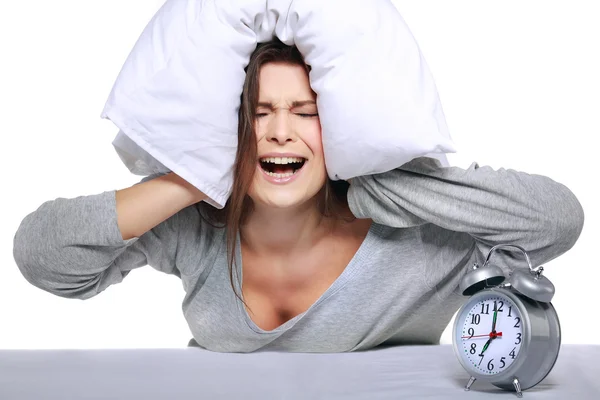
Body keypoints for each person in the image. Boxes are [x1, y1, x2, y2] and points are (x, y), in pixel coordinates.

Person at [13, 39, 584, 353]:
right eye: (258, 115)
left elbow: (557, 220)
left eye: (306, 114)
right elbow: (44, 260)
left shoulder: (423, 236)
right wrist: (199, 174)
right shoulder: (195, 225)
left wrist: (366, 179)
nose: (280, 130)